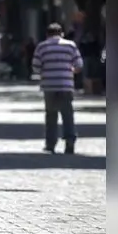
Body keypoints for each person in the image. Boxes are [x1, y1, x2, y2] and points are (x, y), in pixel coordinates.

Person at [32, 23, 83, 154]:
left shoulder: (42, 46)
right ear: (62, 33)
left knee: (51, 115)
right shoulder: (71, 45)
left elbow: (36, 67)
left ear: (47, 34)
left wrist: (45, 70)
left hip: (49, 86)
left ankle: (50, 144)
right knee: (68, 115)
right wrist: (69, 70)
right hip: (66, 85)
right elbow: (79, 64)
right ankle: (70, 142)